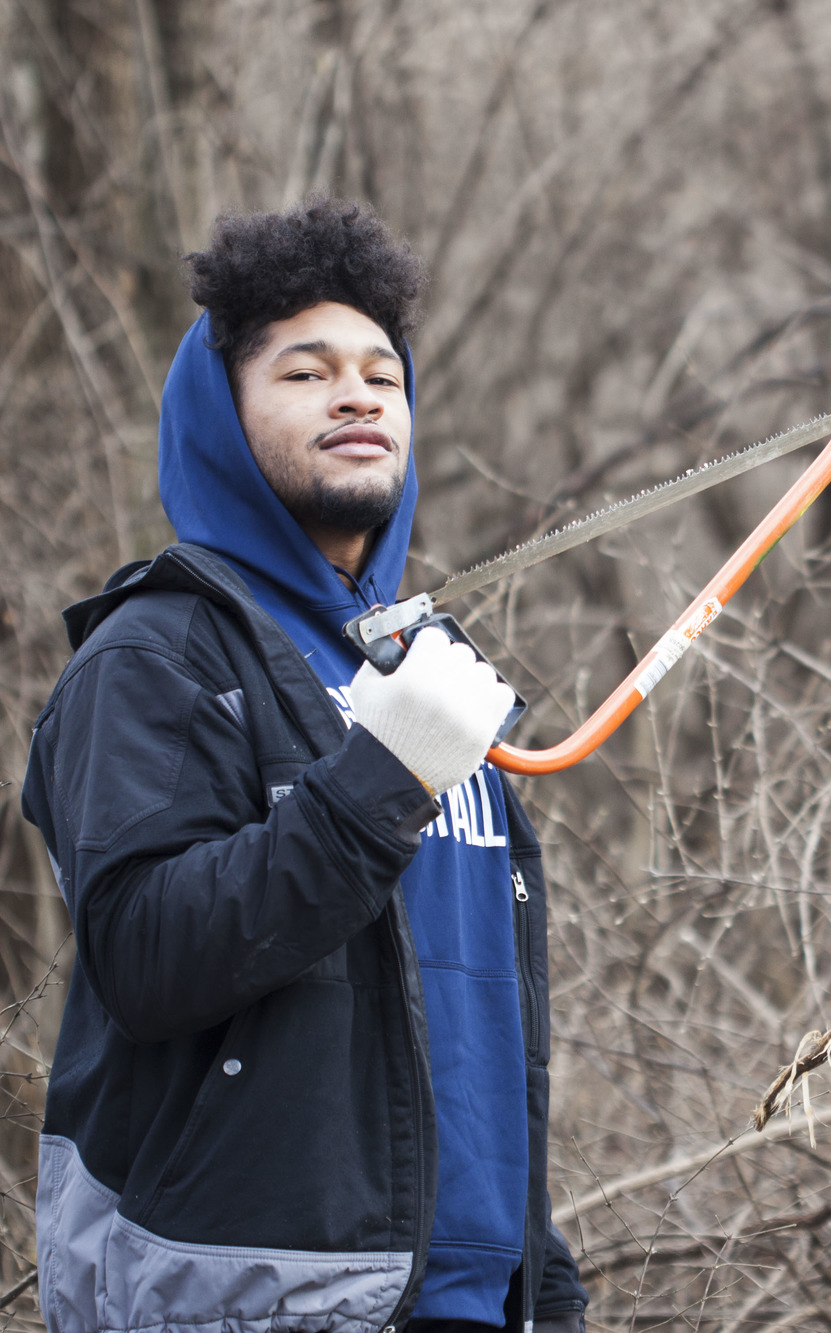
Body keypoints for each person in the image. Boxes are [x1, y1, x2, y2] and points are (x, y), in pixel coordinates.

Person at [22, 199, 588, 1333]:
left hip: (468, 1297)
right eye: (306, 371)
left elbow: (461, 1005)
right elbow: (144, 954)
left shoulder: (434, 666)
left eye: (384, 372)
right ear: (219, 418)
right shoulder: (159, 654)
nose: (360, 392)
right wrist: (382, 777)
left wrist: (541, 1272)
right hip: (248, 1293)